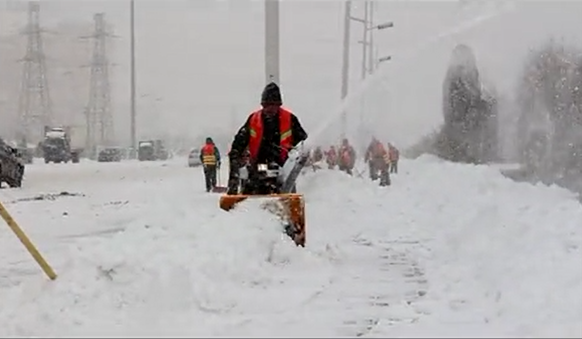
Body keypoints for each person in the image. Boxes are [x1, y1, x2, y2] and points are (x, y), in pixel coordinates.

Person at [227, 82, 308, 195]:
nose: (270, 108)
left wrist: (296, 156)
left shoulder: (290, 119)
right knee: (250, 187)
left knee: (286, 193)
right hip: (257, 166)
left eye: (273, 104)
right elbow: (238, 144)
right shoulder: (253, 120)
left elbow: (303, 142)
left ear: (279, 105)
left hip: (282, 168)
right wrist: (233, 180)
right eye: (267, 105)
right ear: (262, 105)